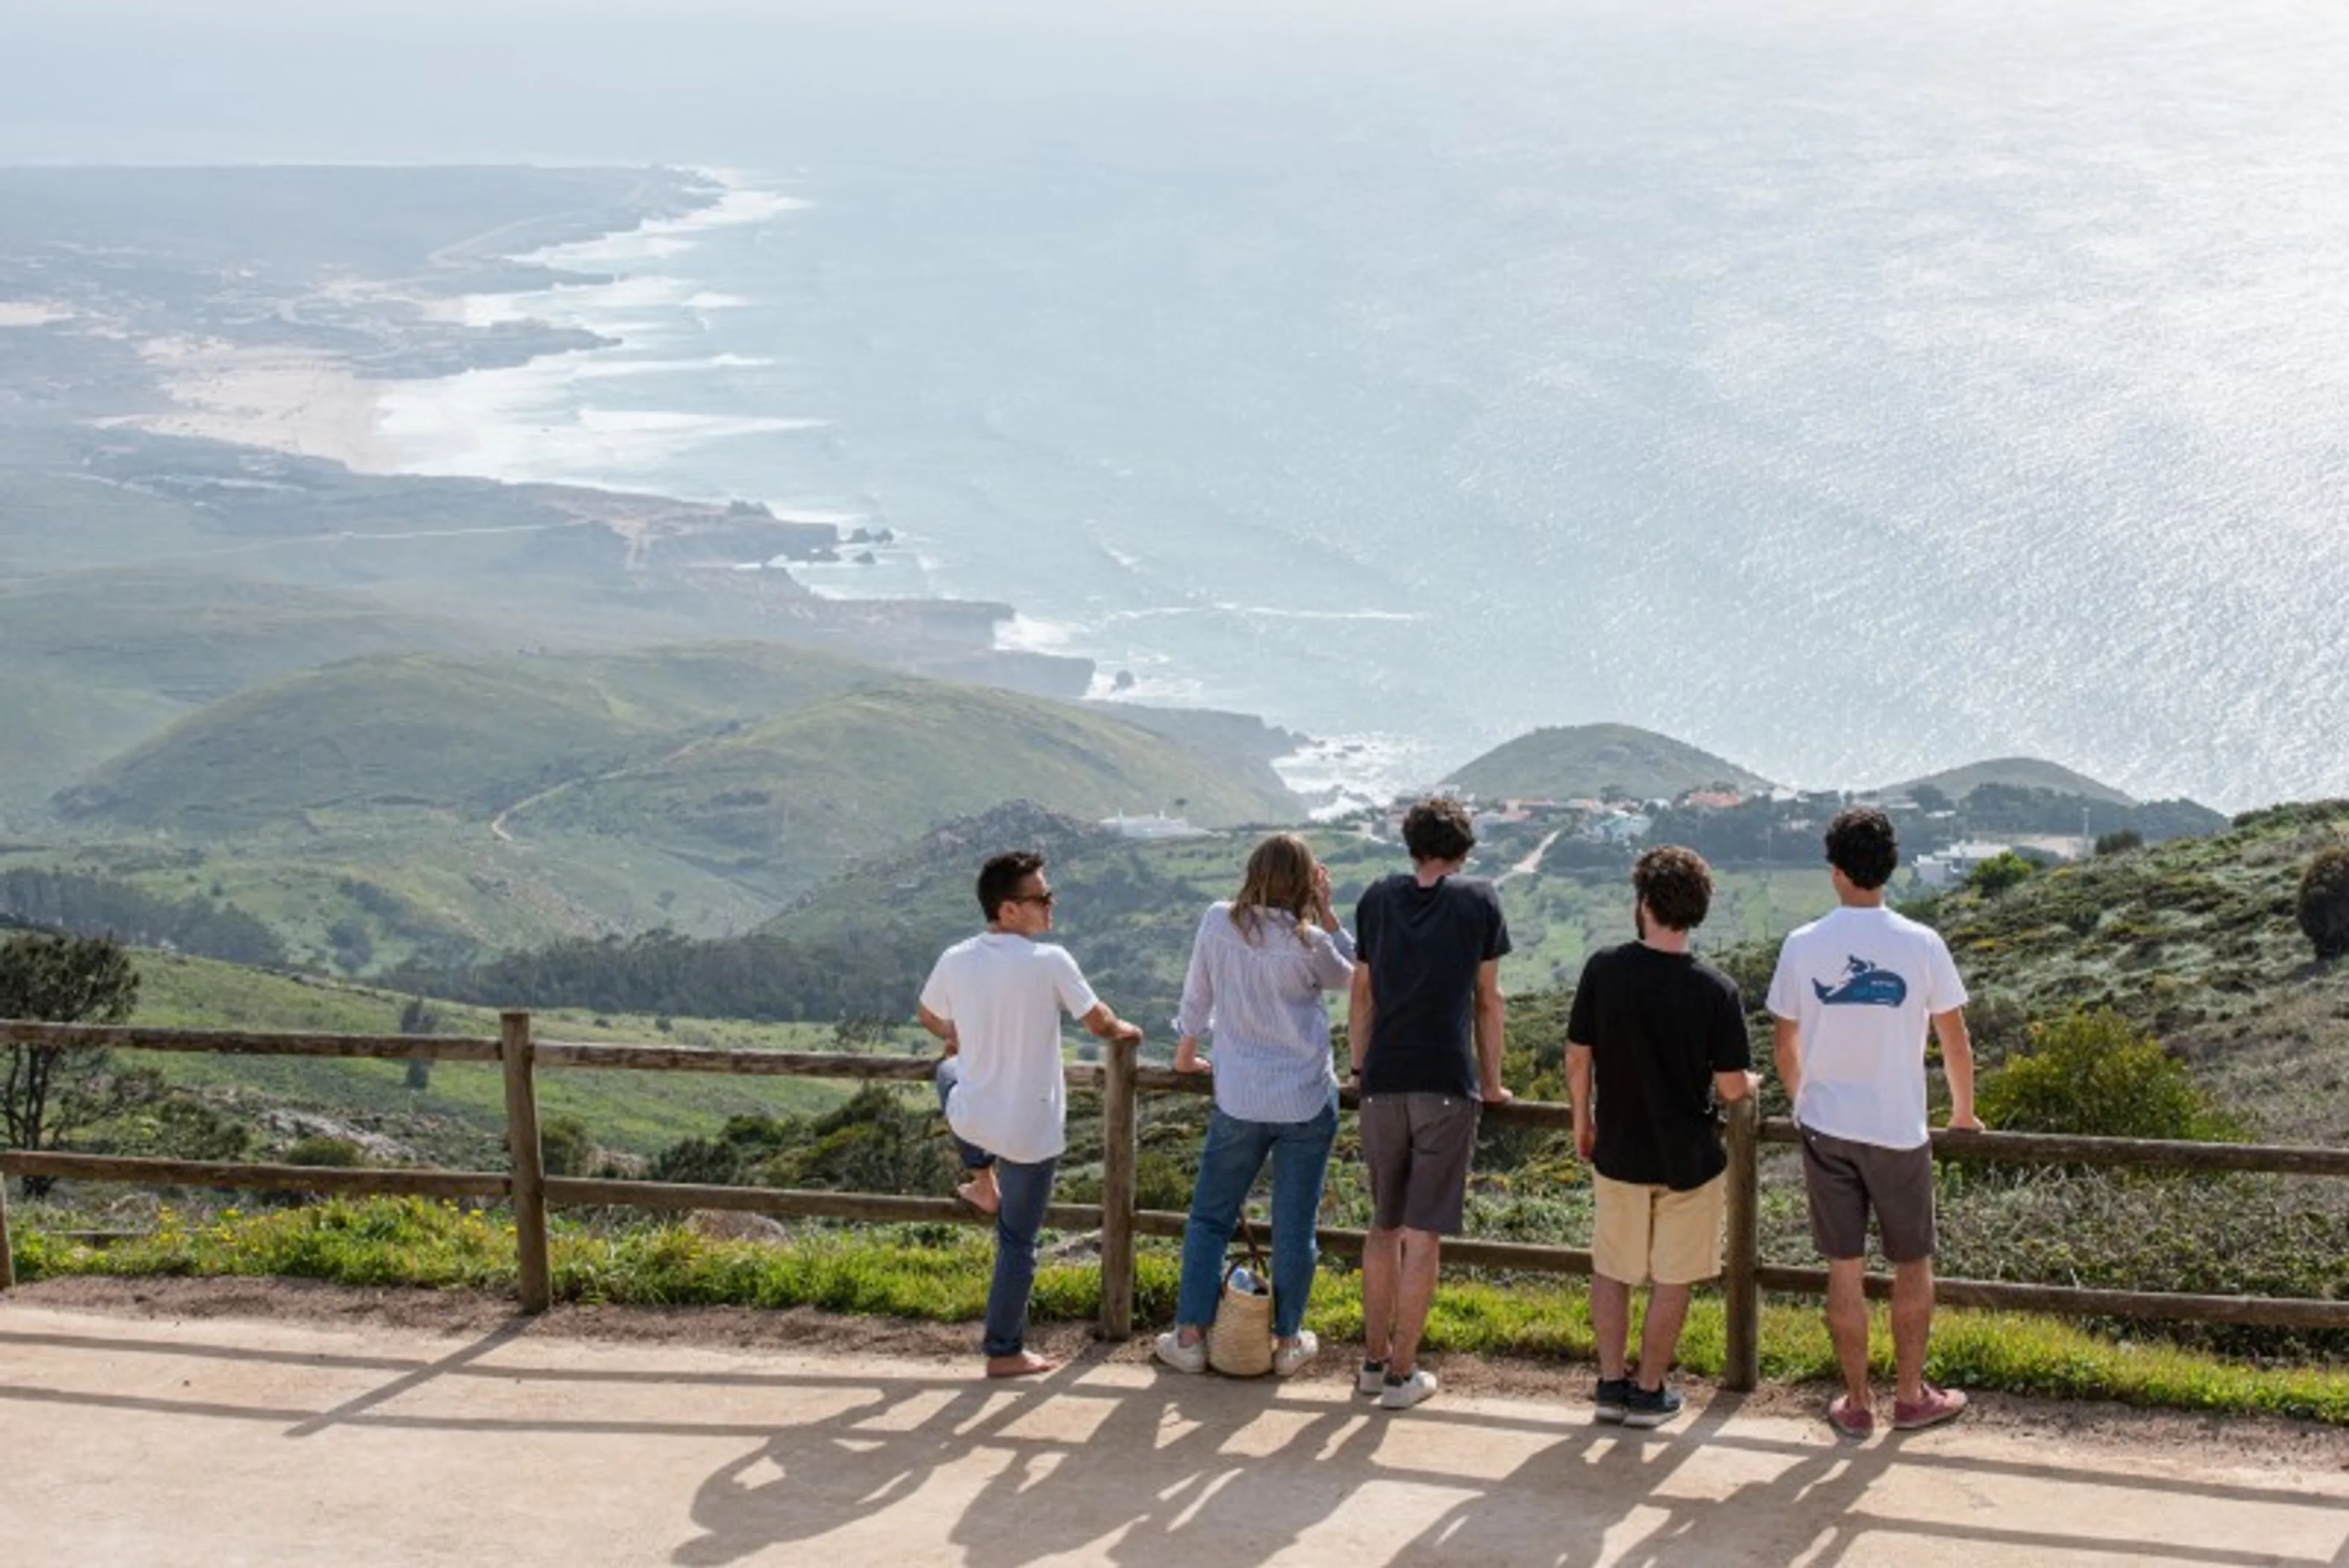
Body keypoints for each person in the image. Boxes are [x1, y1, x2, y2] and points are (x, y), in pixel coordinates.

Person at [1767, 806, 1982, 1438]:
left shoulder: (1804, 944)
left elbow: (1785, 1041)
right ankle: (1912, 1396)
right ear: (1889, 868)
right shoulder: (1921, 944)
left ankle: (1857, 1402)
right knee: (1912, 1265)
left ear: (1835, 871)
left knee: (1844, 1269)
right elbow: (1955, 1039)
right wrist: (1963, 1112)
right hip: (1899, 1127)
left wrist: (1802, 1098)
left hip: (1827, 1126)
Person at [918, 849, 1143, 1378]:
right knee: (1018, 1243)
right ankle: (1004, 1350)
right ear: (1009, 909)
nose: (1050, 905)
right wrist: (1125, 1032)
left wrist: (956, 1037)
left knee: (947, 1074)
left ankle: (980, 1178)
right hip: (1032, 1130)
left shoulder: (956, 957)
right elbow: (1098, 1021)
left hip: (976, 1119)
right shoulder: (1051, 962)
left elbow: (928, 1013)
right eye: (1041, 897)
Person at [1567, 845, 1757, 1429]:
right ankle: (1649, 1391)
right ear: (1696, 910)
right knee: (1673, 1276)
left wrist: (1583, 1119)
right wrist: (1754, 1079)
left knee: (1613, 1269)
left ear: (1644, 903)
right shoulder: (1716, 990)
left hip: (1618, 1147)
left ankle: (1608, 1384)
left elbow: (1578, 1057)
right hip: (1689, 1158)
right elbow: (1731, 1088)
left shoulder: (1604, 969)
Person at [1154, 833, 1356, 1380]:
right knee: (1295, 1228)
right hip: (1305, 1099)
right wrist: (1330, 912)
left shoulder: (1217, 921)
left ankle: (1191, 1336)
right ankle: (1288, 1341)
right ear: (1307, 881)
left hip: (1239, 1096)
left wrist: (1185, 1054)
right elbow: (1357, 976)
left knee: (1209, 1218)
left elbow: (1197, 993)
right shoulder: (1310, 942)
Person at [1348, 796, 1513, 1410]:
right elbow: (1488, 1001)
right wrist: (1492, 1083)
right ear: (1465, 849)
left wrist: (1360, 1067)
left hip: (1383, 1079)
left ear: (1411, 844)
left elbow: (1361, 995)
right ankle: (1401, 1374)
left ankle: (1370, 1363)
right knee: (1423, 1235)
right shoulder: (1479, 900)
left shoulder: (1377, 898)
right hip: (1446, 1080)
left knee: (1382, 1225)